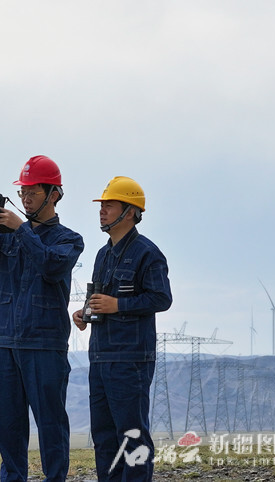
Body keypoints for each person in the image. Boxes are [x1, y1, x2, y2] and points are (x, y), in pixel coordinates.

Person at [0, 155, 84, 482]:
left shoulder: (69, 240)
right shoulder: (8, 237)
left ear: (54, 193)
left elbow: (52, 265)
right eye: (23, 191)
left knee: (51, 424)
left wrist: (21, 229)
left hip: (45, 346)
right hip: (4, 343)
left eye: (33, 191)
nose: (26, 197)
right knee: (9, 425)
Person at [72, 176, 172, 481]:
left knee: (131, 437)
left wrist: (118, 306)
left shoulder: (147, 253)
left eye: (109, 205)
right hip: (100, 359)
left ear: (130, 211)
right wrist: (85, 312)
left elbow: (161, 298)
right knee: (104, 439)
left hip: (130, 361)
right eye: (101, 206)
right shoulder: (103, 254)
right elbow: (102, 299)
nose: (102, 211)